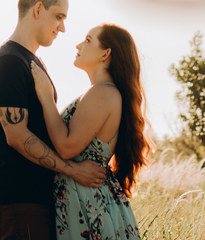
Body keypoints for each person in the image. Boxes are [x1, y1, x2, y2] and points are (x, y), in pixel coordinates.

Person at [0, 0, 108, 240]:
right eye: (59, 17)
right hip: (17, 198)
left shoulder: (32, 60)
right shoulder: (9, 62)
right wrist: (73, 170)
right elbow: (17, 136)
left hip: (37, 198)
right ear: (38, 9)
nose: (62, 28)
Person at [31, 23, 151, 240]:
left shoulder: (102, 93)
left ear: (105, 54)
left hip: (86, 200)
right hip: (86, 196)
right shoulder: (103, 92)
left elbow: (66, 147)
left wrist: (47, 99)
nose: (78, 45)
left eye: (88, 40)